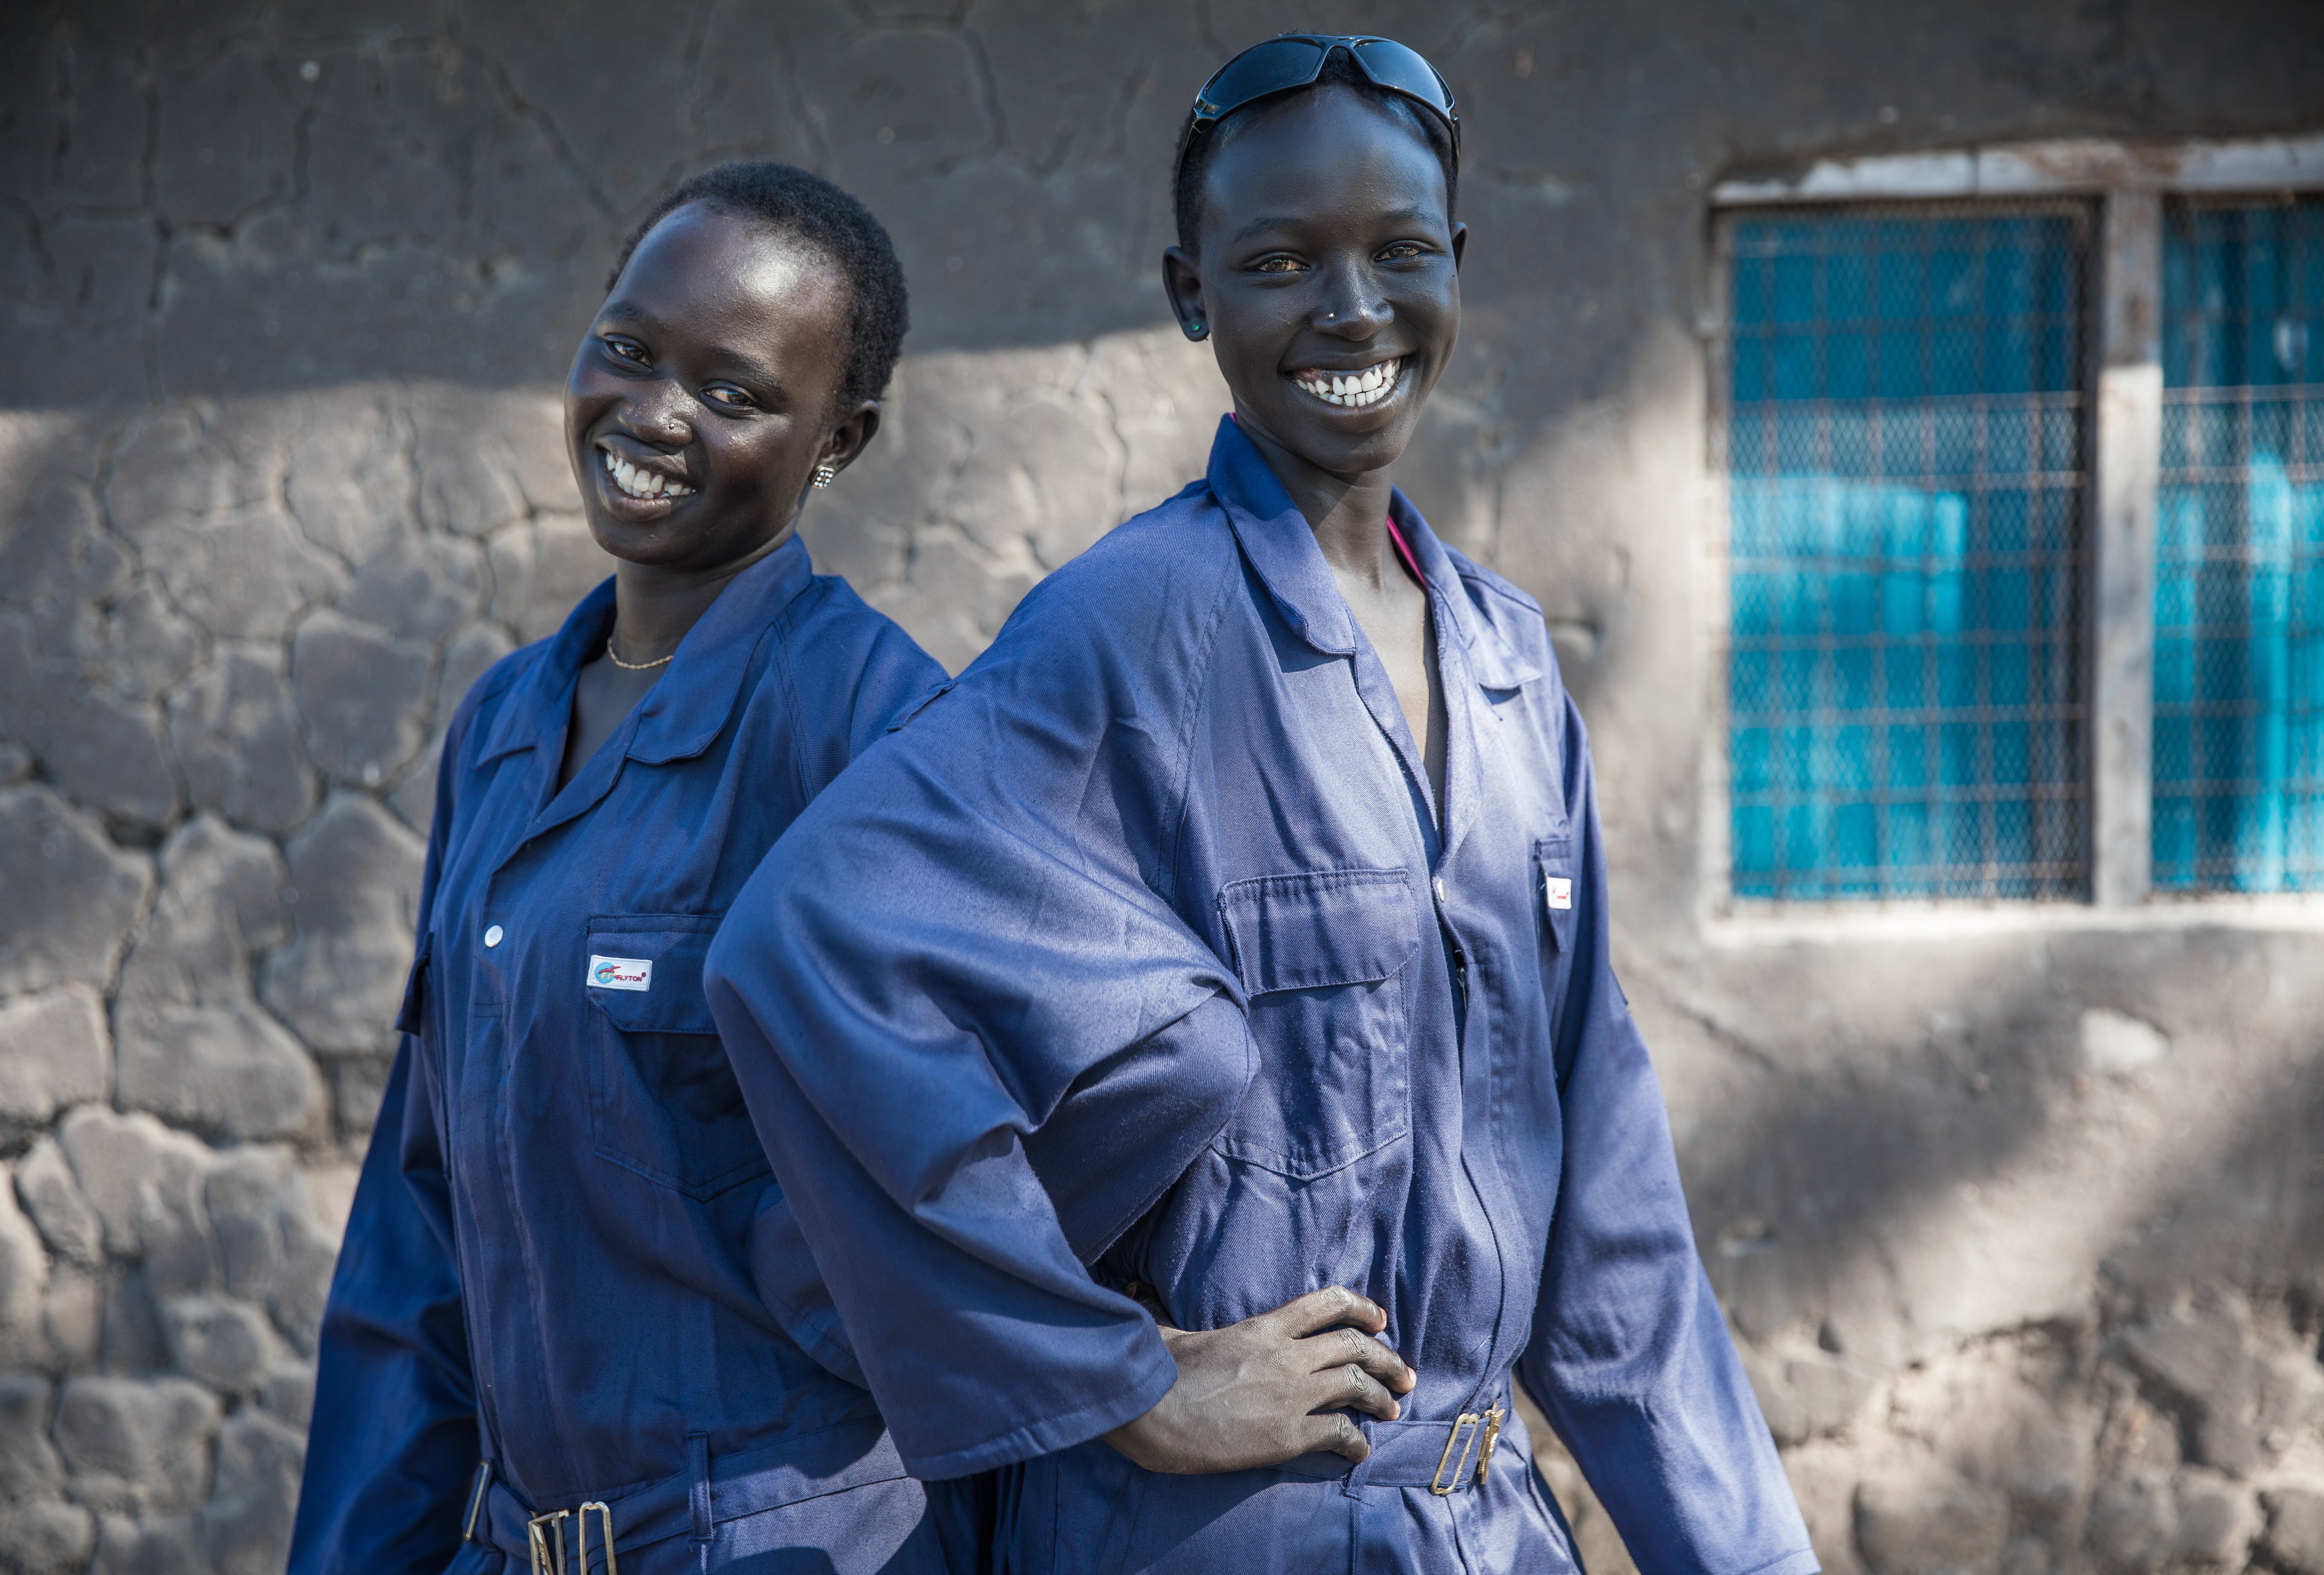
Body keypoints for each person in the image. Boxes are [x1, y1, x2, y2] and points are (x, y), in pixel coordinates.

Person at [705, 35, 1819, 1575]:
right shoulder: (1130, 630)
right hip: (1211, 1533)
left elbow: (1608, 1208)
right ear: (1191, 293)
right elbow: (806, 949)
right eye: (1283, 259)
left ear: (1457, 267)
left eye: (1399, 253)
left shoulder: (1507, 666)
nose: (1352, 309)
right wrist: (1124, 1375)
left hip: (1483, 1523)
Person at [287, 162, 981, 1575]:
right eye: (625, 348)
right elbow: (429, 1214)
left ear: (837, 438)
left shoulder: (874, 731)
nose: (652, 414)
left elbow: (958, 1185)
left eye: (733, 392)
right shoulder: (504, 725)